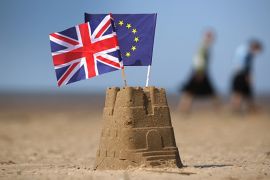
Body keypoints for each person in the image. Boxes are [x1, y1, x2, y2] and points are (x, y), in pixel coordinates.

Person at [178, 30, 219, 112]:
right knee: (190, 92)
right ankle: (183, 110)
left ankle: (183, 109)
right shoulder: (203, 46)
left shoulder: (205, 46)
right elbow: (199, 60)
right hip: (199, 71)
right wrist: (200, 73)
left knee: (191, 92)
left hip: (200, 71)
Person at [230, 39, 263, 113]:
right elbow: (244, 65)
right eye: (257, 50)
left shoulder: (242, 49)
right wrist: (248, 77)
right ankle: (237, 110)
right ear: (255, 47)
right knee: (240, 94)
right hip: (241, 75)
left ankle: (239, 110)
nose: (257, 53)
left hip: (237, 74)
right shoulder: (247, 52)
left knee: (239, 93)